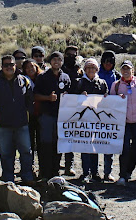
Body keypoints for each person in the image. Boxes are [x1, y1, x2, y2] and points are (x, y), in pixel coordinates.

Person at [0, 54, 35, 184]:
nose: (9, 67)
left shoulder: (24, 81)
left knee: (26, 151)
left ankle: (27, 176)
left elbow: (30, 100)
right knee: (6, 153)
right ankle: (8, 178)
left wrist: (27, 113)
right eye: (6, 65)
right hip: (3, 125)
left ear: (16, 66)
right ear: (1, 67)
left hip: (21, 123)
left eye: (11, 64)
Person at [33, 51, 72, 179]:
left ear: (62, 62)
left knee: (58, 145)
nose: (56, 62)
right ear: (50, 61)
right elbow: (35, 95)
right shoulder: (42, 77)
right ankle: (44, 172)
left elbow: (71, 95)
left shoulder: (66, 77)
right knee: (46, 144)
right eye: (54, 59)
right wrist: (48, 98)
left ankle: (55, 172)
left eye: (59, 60)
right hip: (47, 116)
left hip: (62, 117)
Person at [72, 58, 109, 183]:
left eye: (93, 67)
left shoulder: (102, 83)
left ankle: (95, 173)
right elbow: (72, 99)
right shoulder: (79, 82)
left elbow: (107, 98)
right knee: (85, 146)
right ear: (85, 69)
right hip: (83, 120)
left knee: (95, 146)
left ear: (97, 69)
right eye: (88, 68)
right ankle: (85, 172)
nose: (91, 70)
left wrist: (107, 98)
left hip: (97, 121)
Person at [98, 50, 121, 181]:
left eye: (111, 61)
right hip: (96, 113)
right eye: (106, 60)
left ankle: (107, 172)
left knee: (108, 143)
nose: (108, 63)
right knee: (93, 143)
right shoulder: (95, 74)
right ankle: (93, 172)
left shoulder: (117, 76)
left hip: (111, 114)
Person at [61, 45, 83, 176]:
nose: (71, 58)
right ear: (64, 56)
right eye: (69, 55)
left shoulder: (79, 71)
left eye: (74, 55)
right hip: (60, 107)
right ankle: (56, 164)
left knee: (71, 137)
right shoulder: (60, 69)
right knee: (58, 137)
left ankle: (69, 165)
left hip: (75, 108)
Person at [22, 58, 43, 163]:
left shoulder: (43, 78)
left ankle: (42, 168)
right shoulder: (22, 80)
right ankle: (30, 167)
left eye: (32, 66)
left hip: (41, 114)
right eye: (27, 67)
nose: (30, 69)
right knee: (28, 143)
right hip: (28, 115)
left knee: (41, 143)